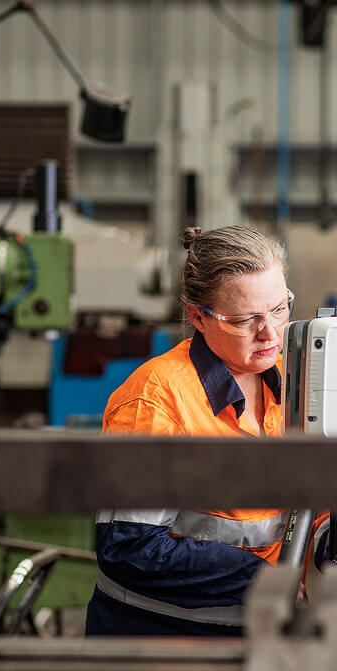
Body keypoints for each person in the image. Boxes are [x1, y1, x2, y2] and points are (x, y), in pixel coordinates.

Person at [85, 225, 292, 636]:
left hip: (256, 635)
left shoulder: (293, 383)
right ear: (198, 316)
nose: (269, 333)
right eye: (244, 319)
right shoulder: (154, 398)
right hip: (157, 638)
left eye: (280, 309)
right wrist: (263, 580)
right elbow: (130, 547)